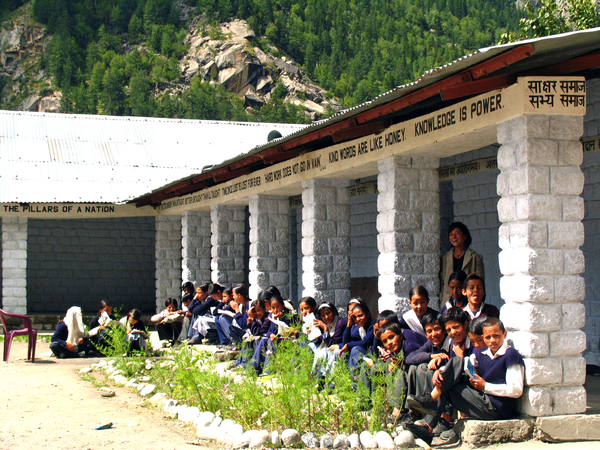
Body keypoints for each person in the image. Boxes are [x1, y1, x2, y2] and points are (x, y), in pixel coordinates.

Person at [406, 318, 525, 445]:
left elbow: (516, 390)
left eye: (496, 336)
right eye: (488, 337)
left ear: (504, 335)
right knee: (454, 370)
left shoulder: (510, 355)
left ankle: (431, 400)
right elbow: (463, 363)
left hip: (496, 408)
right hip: (484, 399)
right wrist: (441, 371)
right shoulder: (483, 353)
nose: (492, 341)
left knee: (456, 367)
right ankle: (427, 429)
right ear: (483, 337)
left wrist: (485, 386)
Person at [360, 321, 409, 423]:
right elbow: (374, 352)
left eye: (391, 337)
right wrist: (375, 338)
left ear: (400, 335)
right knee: (375, 366)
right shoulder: (393, 346)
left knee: (397, 370)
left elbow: (414, 355)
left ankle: (396, 410)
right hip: (393, 363)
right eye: (385, 341)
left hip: (412, 369)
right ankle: (375, 404)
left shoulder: (409, 340)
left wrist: (400, 362)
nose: (389, 342)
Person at [440, 222, 484, 301]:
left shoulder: (475, 257)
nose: (454, 237)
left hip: (468, 300)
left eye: (457, 233)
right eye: (451, 234)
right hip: (449, 300)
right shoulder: (446, 257)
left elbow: (480, 283)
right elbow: (443, 281)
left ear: (465, 236)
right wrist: (442, 299)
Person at [340, 301, 375, 375]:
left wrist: (349, 345)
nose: (358, 319)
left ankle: (355, 380)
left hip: (375, 354)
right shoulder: (361, 328)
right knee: (346, 352)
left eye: (360, 315)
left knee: (355, 349)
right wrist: (349, 323)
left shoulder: (373, 325)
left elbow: (365, 342)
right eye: (355, 317)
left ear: (368, 314)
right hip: (365, 354)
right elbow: (344, 343)